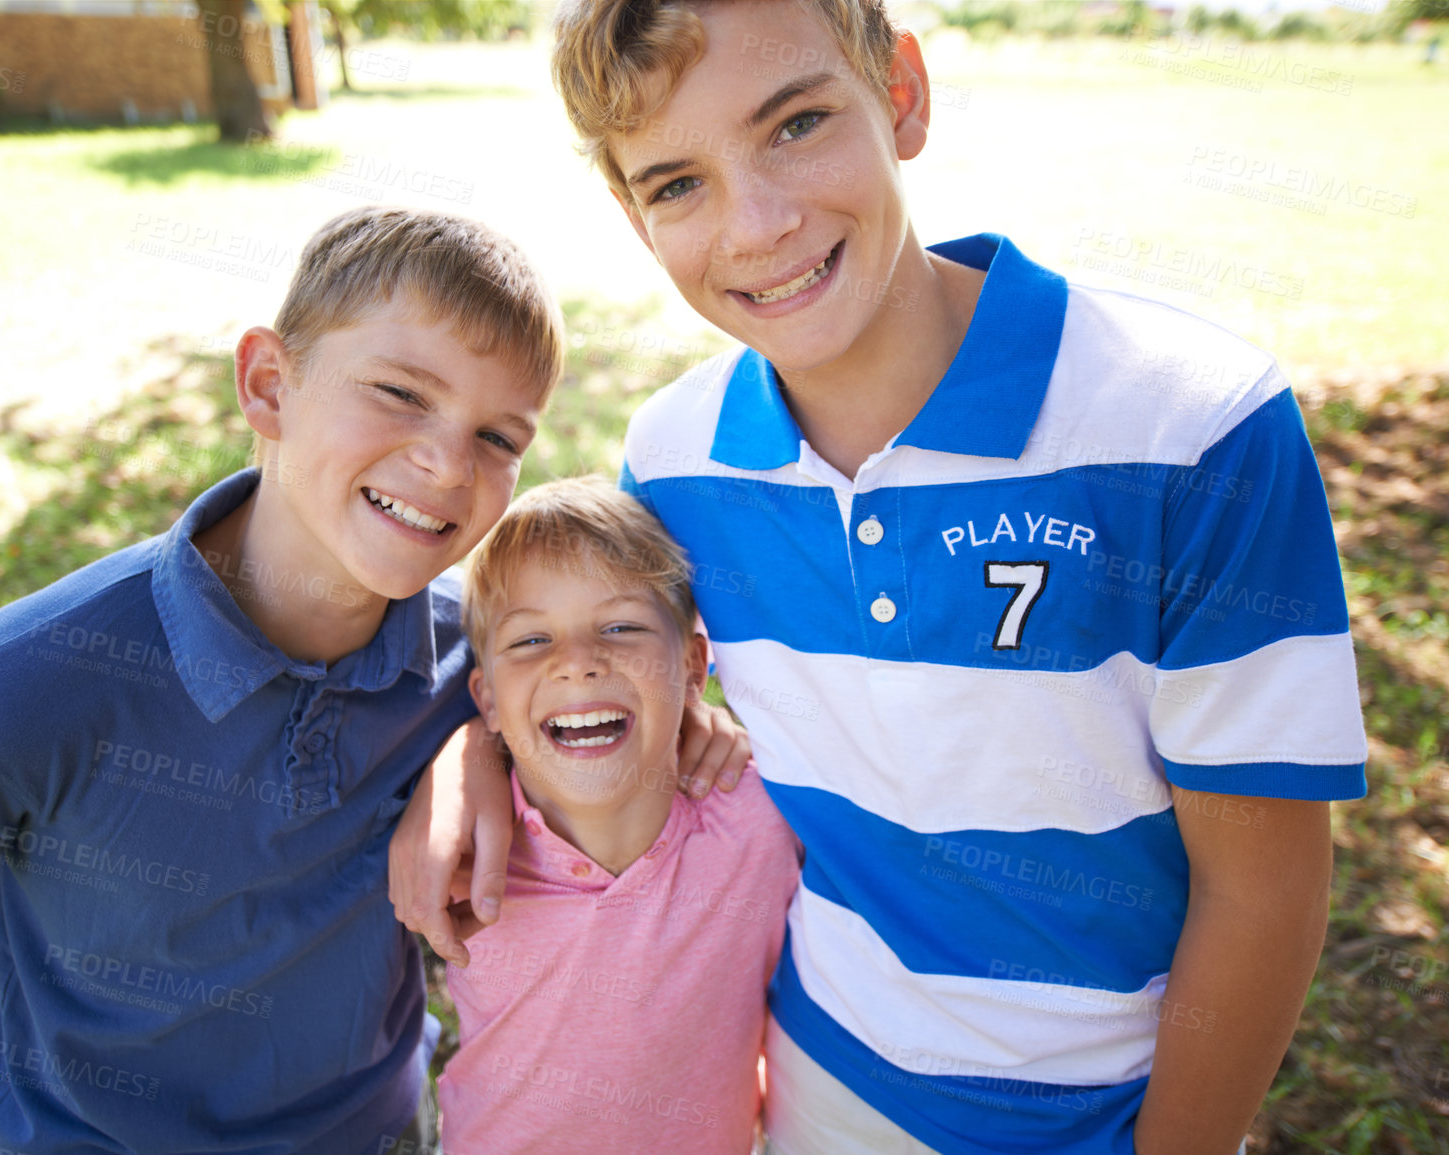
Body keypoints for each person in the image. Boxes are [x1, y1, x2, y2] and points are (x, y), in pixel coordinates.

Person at [391, 4, 1370, 1154]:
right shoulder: (675, 463)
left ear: (901, 94)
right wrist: (471, 755)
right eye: (676, 184)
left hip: (1125, 1106)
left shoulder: (1192, 428)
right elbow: (596, 668)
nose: (758, 225)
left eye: (798, 123)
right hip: (819, 1087)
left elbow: (1264, 887)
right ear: (631, 213)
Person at [0, 205, 746, 1155]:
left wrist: (475, 744)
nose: (443, 462)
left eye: (498, 437)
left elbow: (577, 704)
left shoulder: (472, 662)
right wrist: (51, 992)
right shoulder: (20, 684)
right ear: (269, 386)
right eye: (399, 391)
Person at [434, 476, 800, 1154]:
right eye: (529, 639)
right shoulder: (461, 846)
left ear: (693, 666)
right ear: (484, 698)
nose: (577, 662)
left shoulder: (765, 822)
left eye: (620, 627)